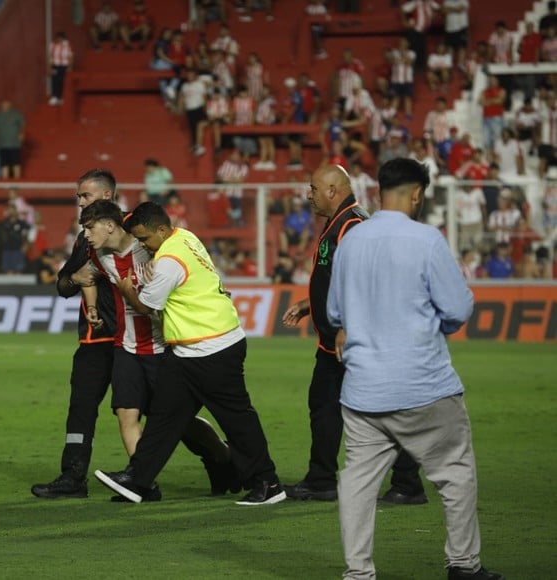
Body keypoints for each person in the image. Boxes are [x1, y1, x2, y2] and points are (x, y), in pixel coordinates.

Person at [327, 157, 504, 580]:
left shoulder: (352, 239)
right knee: (455, 475)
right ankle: (463, 565)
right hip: (423, 385)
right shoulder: (426, 240)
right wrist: (436, 325)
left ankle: (358, 573)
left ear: (378, 191)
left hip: (363, 389)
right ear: (418, 193)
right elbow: (457, 308)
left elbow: (336, 311)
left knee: (357, 485)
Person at [94, 202, 286, 506]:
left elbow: (146, 306)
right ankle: (139, 480)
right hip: (188, 350)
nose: (144, 246)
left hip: (213, 348)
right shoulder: (185, 236)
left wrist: (128, 289)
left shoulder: (170, 259)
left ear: (161, 230)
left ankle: (267, 482)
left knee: (237, 421)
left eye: (145, 239)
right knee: (163, 417)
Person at [281, 164, 426, 503]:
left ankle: (408, 484)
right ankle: (321, 479)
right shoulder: (341, 223)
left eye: (314, 188)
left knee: (384, 409)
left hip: (357, 341)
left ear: (333, 190)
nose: (309, 194)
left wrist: (348, 325)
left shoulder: (353, 224)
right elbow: (338, 277)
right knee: (324, 404)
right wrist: (309, 304)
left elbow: (367, 280)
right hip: (336, 342)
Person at [79, 200, 236, 500]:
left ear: (109, 226)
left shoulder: (154, 248)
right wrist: (91, 303)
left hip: (163, 347)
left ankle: (221, 457)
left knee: (180, 422)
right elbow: (84, 275)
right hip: (126, 347)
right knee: (126, 413)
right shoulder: (100, 257)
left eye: (89, 228)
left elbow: (192, 270)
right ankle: (143, 484)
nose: (85, 234)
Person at [30, 169, 121, 499]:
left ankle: (219, 459)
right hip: (93, 340)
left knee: (165, 411)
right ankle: (73, 476)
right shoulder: (86, 237)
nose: (80, 202)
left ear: (106, 197)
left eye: (85, 196)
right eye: (78, 196)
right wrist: (77, 277)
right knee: (81, 407)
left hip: (131, 339)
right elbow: (64, 285)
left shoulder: (131, 232)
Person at [0, 101, 25, 179]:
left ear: (10, 105)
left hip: (14, 144)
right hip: (2, 144)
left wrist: (21, 135)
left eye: (6, 104)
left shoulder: (15, 114)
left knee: (15, 163)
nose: (4, 106)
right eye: (3, 104)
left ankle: (17, 182)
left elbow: (22, 125)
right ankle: (5, 182)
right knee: (4, 164)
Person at [48, 31, 74, 106]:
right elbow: (50, 57)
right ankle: (55, 97)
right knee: (55, 80)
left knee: (63, 81)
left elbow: (71, 56)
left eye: (60, 38)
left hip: (64, 66)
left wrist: (70, 67)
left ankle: (62, 98)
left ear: (63, 38)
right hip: (55, 65)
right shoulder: (52, 45)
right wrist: (49, 67)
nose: (59, 40)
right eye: (57, 38)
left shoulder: (67, 45)